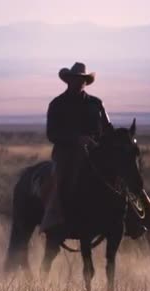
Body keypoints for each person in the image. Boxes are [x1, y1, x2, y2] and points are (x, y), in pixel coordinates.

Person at [40, 62, 113, 233]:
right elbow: (52, 134)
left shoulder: (96, 104)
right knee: (59, 178)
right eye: (76, 79)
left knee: (122, 173)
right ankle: (53, 219)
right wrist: (76, 139)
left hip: (95, 152)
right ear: (68, 80)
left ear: (86, 82)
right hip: (66, 153)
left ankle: (136, 219)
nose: (79, 82)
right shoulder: (57, 104)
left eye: (83, 79)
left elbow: (108, 129)